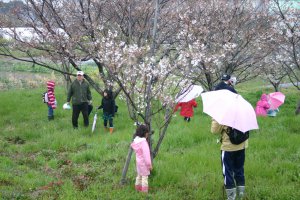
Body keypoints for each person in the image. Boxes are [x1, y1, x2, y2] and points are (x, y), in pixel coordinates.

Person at [211, 119, 248, 200]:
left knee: (227, 171)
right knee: (239, 169)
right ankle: (241, 194)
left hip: (228, 148)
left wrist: (214, 119)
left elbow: (214, 130)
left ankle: (231, 197)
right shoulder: (242, 111)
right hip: (242, 145)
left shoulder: (223, 113)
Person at [131, 124, 152, 193]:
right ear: (145, 133)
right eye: (147, 133)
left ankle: (137, 188)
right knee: (145, 177)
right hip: (144, 163)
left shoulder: (136, 141)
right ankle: (144, 192)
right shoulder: (143, 143)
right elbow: (146, 156)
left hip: (138, 162)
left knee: (139, 175)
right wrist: (149, 165)